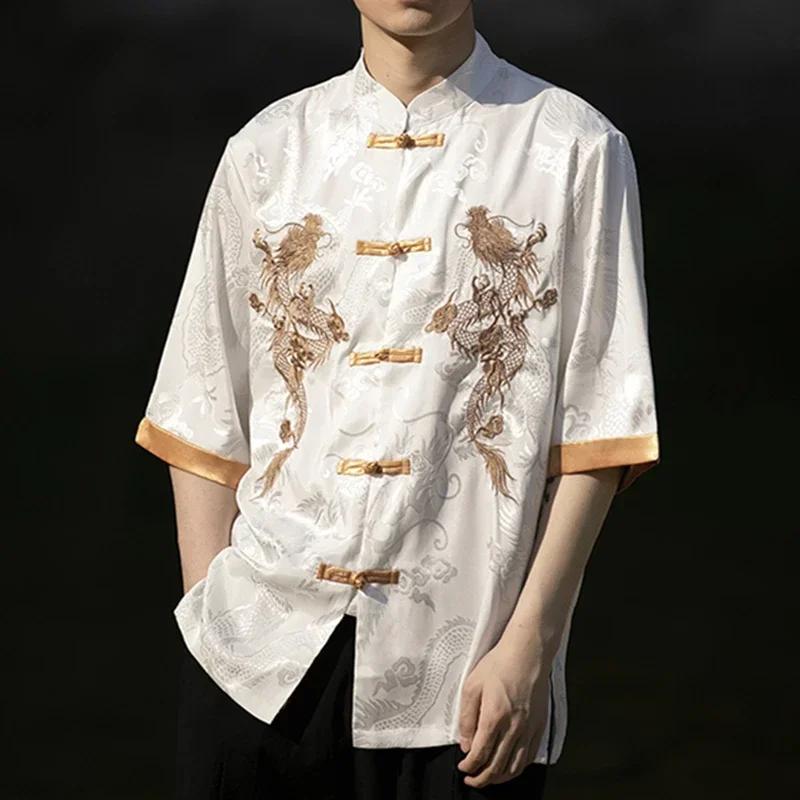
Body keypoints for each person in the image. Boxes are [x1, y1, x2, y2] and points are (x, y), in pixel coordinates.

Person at [134, 2, 660, 798]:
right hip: (257, 665)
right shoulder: (267, 149)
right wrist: (216, 624)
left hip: (472, 676)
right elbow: (202, 409)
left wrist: (531, 645)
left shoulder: (575, 147)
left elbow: (600, 424)